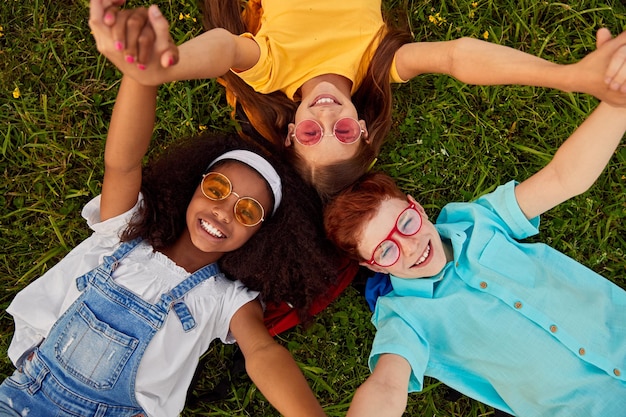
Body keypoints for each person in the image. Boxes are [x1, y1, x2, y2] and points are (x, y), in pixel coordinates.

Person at [0, 12, 341, 415]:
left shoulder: (225, 299)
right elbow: (124, 163)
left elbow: (263, 354)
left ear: (261, 235)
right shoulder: (125, 229)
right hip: (22, 397)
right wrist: (142, 76)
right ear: (193, 185)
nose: (223, 212)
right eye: (217, 189)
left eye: (248, 211)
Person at [91, 0, 626, 199]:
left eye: (309, 134)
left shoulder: (274, 65)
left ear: (290, 127)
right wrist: (569, 77)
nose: (325, 118)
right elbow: (460, 57)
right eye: (342, 134)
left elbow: (225, 49)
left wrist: (169, 64)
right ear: (363, 129)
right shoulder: (380, 62)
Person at [323, 100, 626, 416]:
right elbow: (386, 385)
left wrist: (617, 100)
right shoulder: (403, 317)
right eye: (386, 250)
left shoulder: (476, 220)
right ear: (372, 266)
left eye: (406, 223)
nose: (410, 247)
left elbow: (563, 178)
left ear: (418, 207)